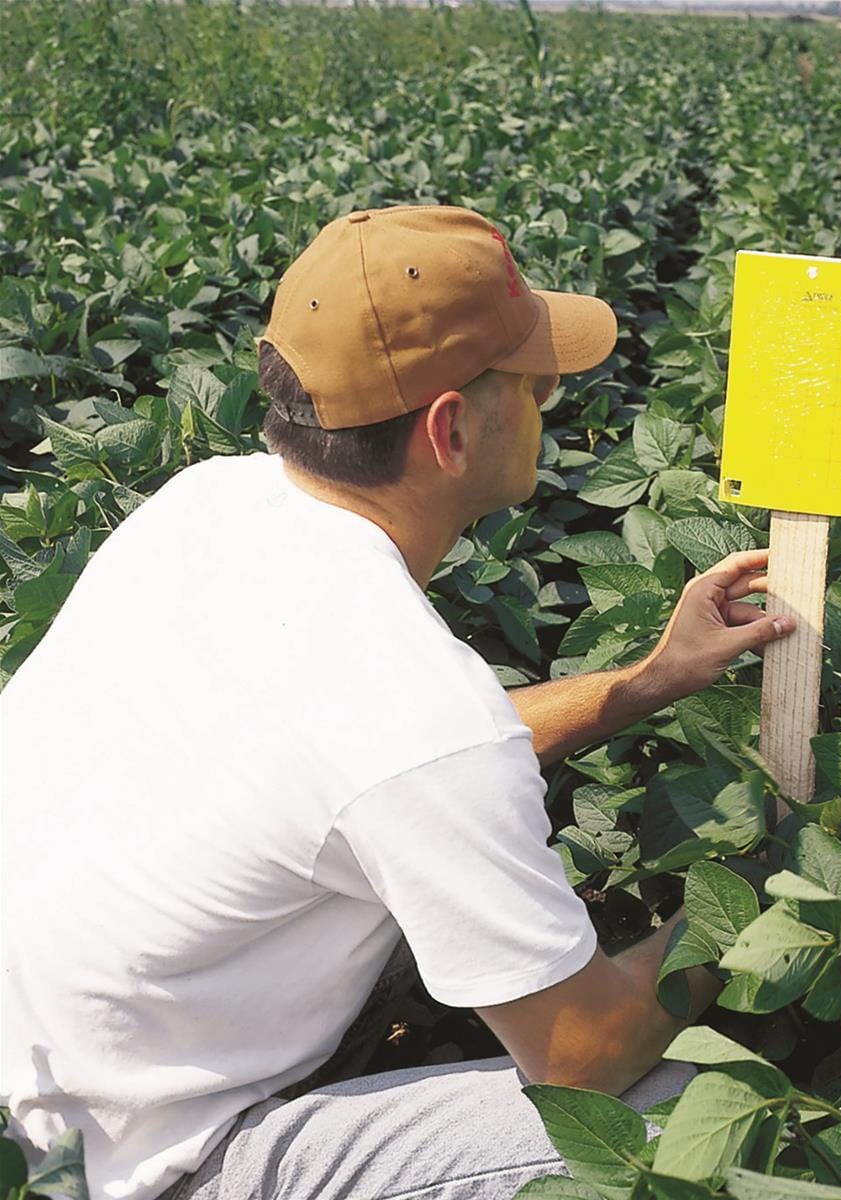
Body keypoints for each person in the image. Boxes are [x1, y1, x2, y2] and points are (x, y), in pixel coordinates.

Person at [0, 204, 796, 1200]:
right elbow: (585, 1054)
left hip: (40, 1074)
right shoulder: (409, 708)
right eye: (534, 383)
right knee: (701, 1122)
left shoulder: (209, 502)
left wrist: (649, 681)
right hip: (152, 1159)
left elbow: (378, 769)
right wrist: (761, 895)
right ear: (451, 429)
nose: (549, 401)